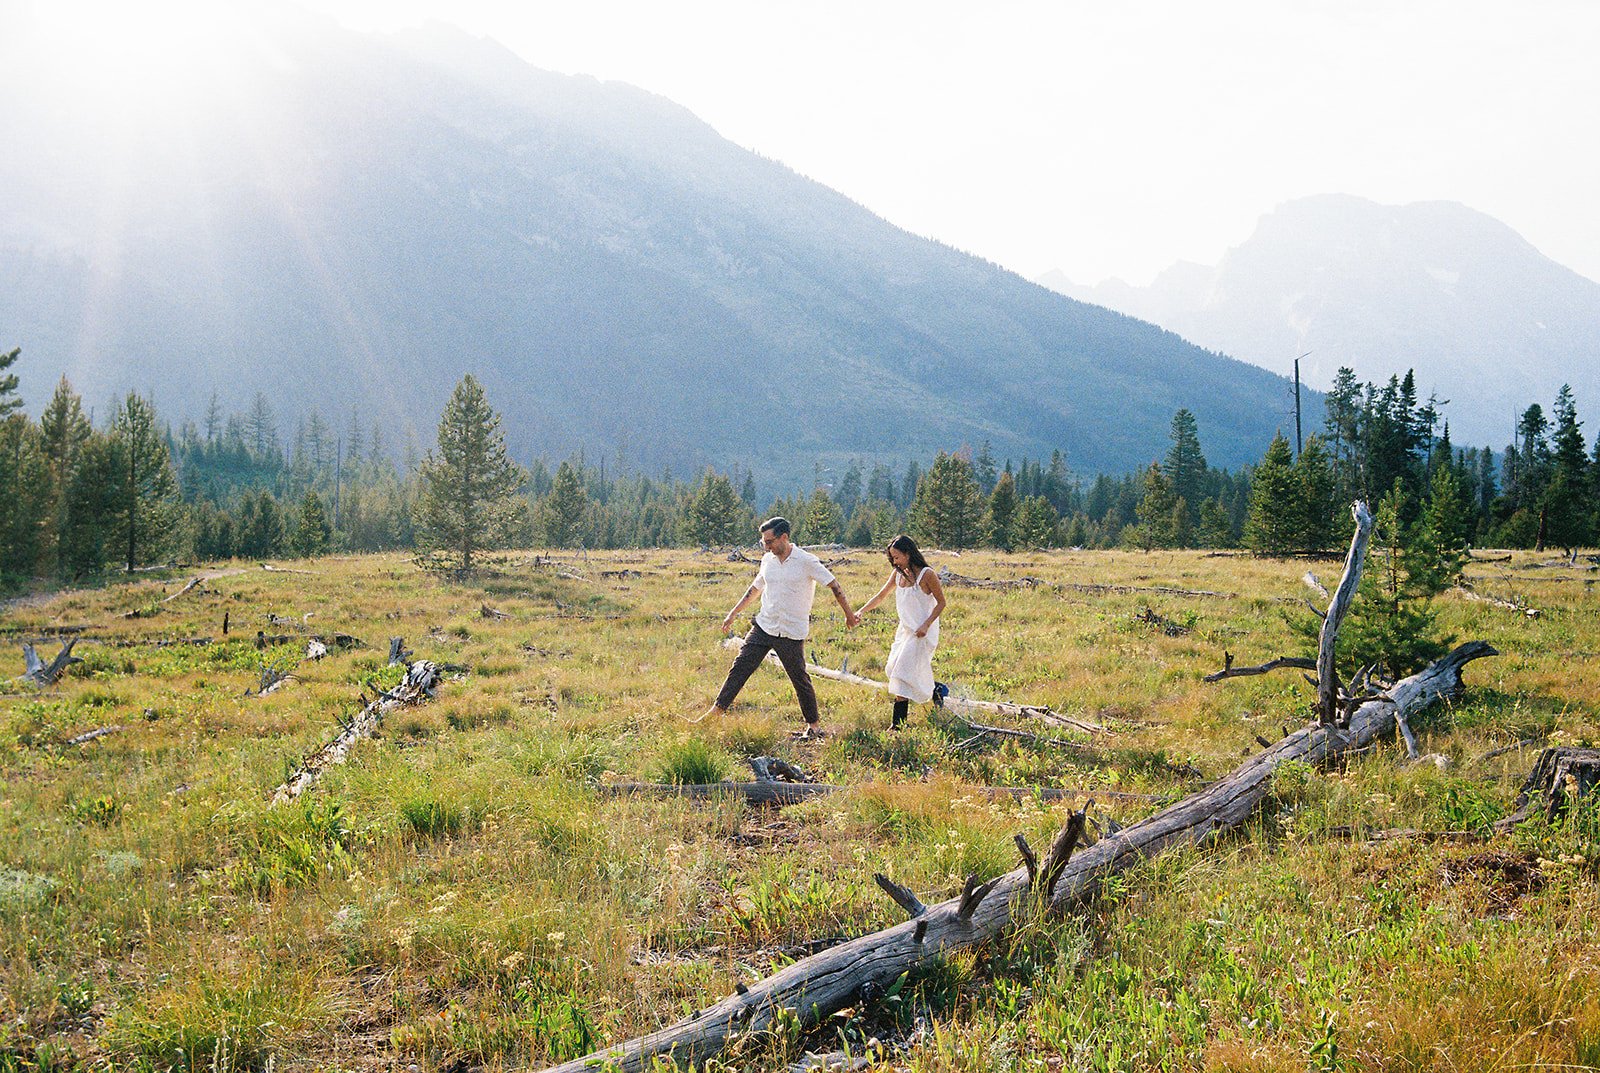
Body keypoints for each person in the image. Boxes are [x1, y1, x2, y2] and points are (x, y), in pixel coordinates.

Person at [702, 517, 859, 738]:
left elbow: (834, 585)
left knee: (799, 677)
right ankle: (715, 713)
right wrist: (732, 614)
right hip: (764, 625)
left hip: (790, 631)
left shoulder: (806, 561)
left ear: (784, 537)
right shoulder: (768, 560)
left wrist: (849, 615)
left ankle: (814, 726)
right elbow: (755, 588)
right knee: (740, 666)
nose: (766, 547)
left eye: (770, 542)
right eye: (763, 542)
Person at [857, 534, 947, 728]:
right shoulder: (898, 574)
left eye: (897, 557)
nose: (894, 561)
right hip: (906, 631)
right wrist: (861, 611)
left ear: (908, 553)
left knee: (902, 671)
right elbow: (881, 596)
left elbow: (942, 603)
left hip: (923, 632)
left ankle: (898, 725)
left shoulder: (927, 574)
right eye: (892, 558)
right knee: (892, 668)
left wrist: (926, 624)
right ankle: (936, 690)